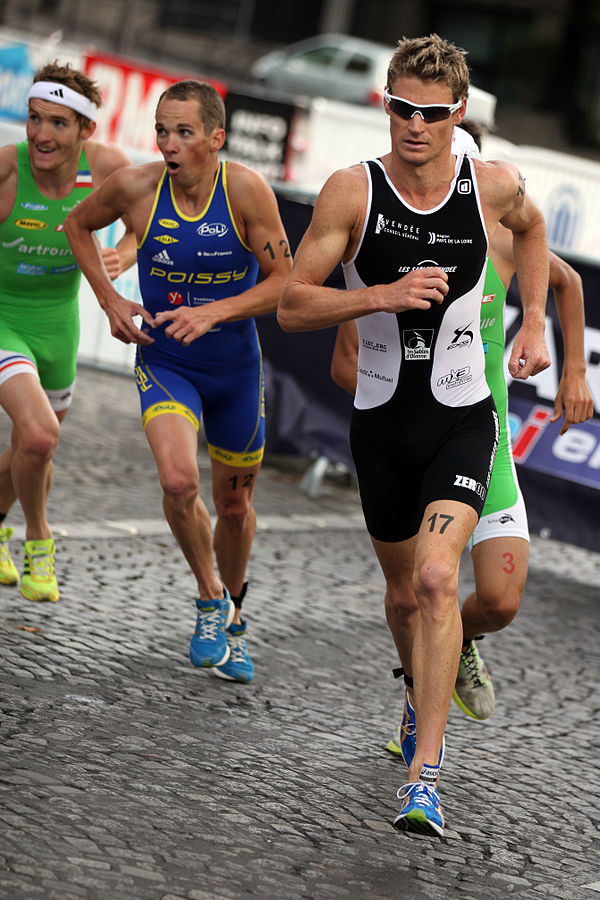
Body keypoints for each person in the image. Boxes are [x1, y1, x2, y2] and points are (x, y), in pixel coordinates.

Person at [278, 34, 550, 836]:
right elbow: (293, 304)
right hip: (383, 425)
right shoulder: (351, 193)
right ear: (385, 105)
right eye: (401, 108)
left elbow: (535, 236)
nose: (415, 125)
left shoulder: (493, 186)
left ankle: (424, 776)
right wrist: (379, 297)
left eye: (432, 114)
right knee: (404, 593)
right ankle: (418, 690)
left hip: (467, 419)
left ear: (457, 114)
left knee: (439, 580)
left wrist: (534, 322)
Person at [331, 123, 594, 745]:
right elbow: (344, 363)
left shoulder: (497, 237)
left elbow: (568, 282)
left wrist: (572, 368)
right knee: (417, 591)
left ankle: (457, 643)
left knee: (500, 602)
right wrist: (394, 400)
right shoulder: (380, 246)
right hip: (407, 440)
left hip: (481, 437)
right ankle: (422, 694)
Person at [64, 80, 292, 683]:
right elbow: (77, 225)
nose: (169, 143)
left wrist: (215, 312)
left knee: (235, 506)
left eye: (184, 132)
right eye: (162, 131)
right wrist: (111, 301)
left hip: (235, 370)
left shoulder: (244, 190)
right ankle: (211, 597)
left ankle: (236, 617)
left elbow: (284, 281)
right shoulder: (137, 188)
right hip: (166, 362)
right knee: (176, 479)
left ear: (216, 138)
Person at [0, 61, 135, 603]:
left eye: (58, 123)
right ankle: (39, 539)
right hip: (4, 317)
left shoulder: (107, 170)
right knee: (38, 434)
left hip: (60, 325)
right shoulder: (8, 170)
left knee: (32, 453)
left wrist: (121, 257)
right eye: (35, 119)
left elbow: (142, 226)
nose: (41, 135)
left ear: (86, 131)